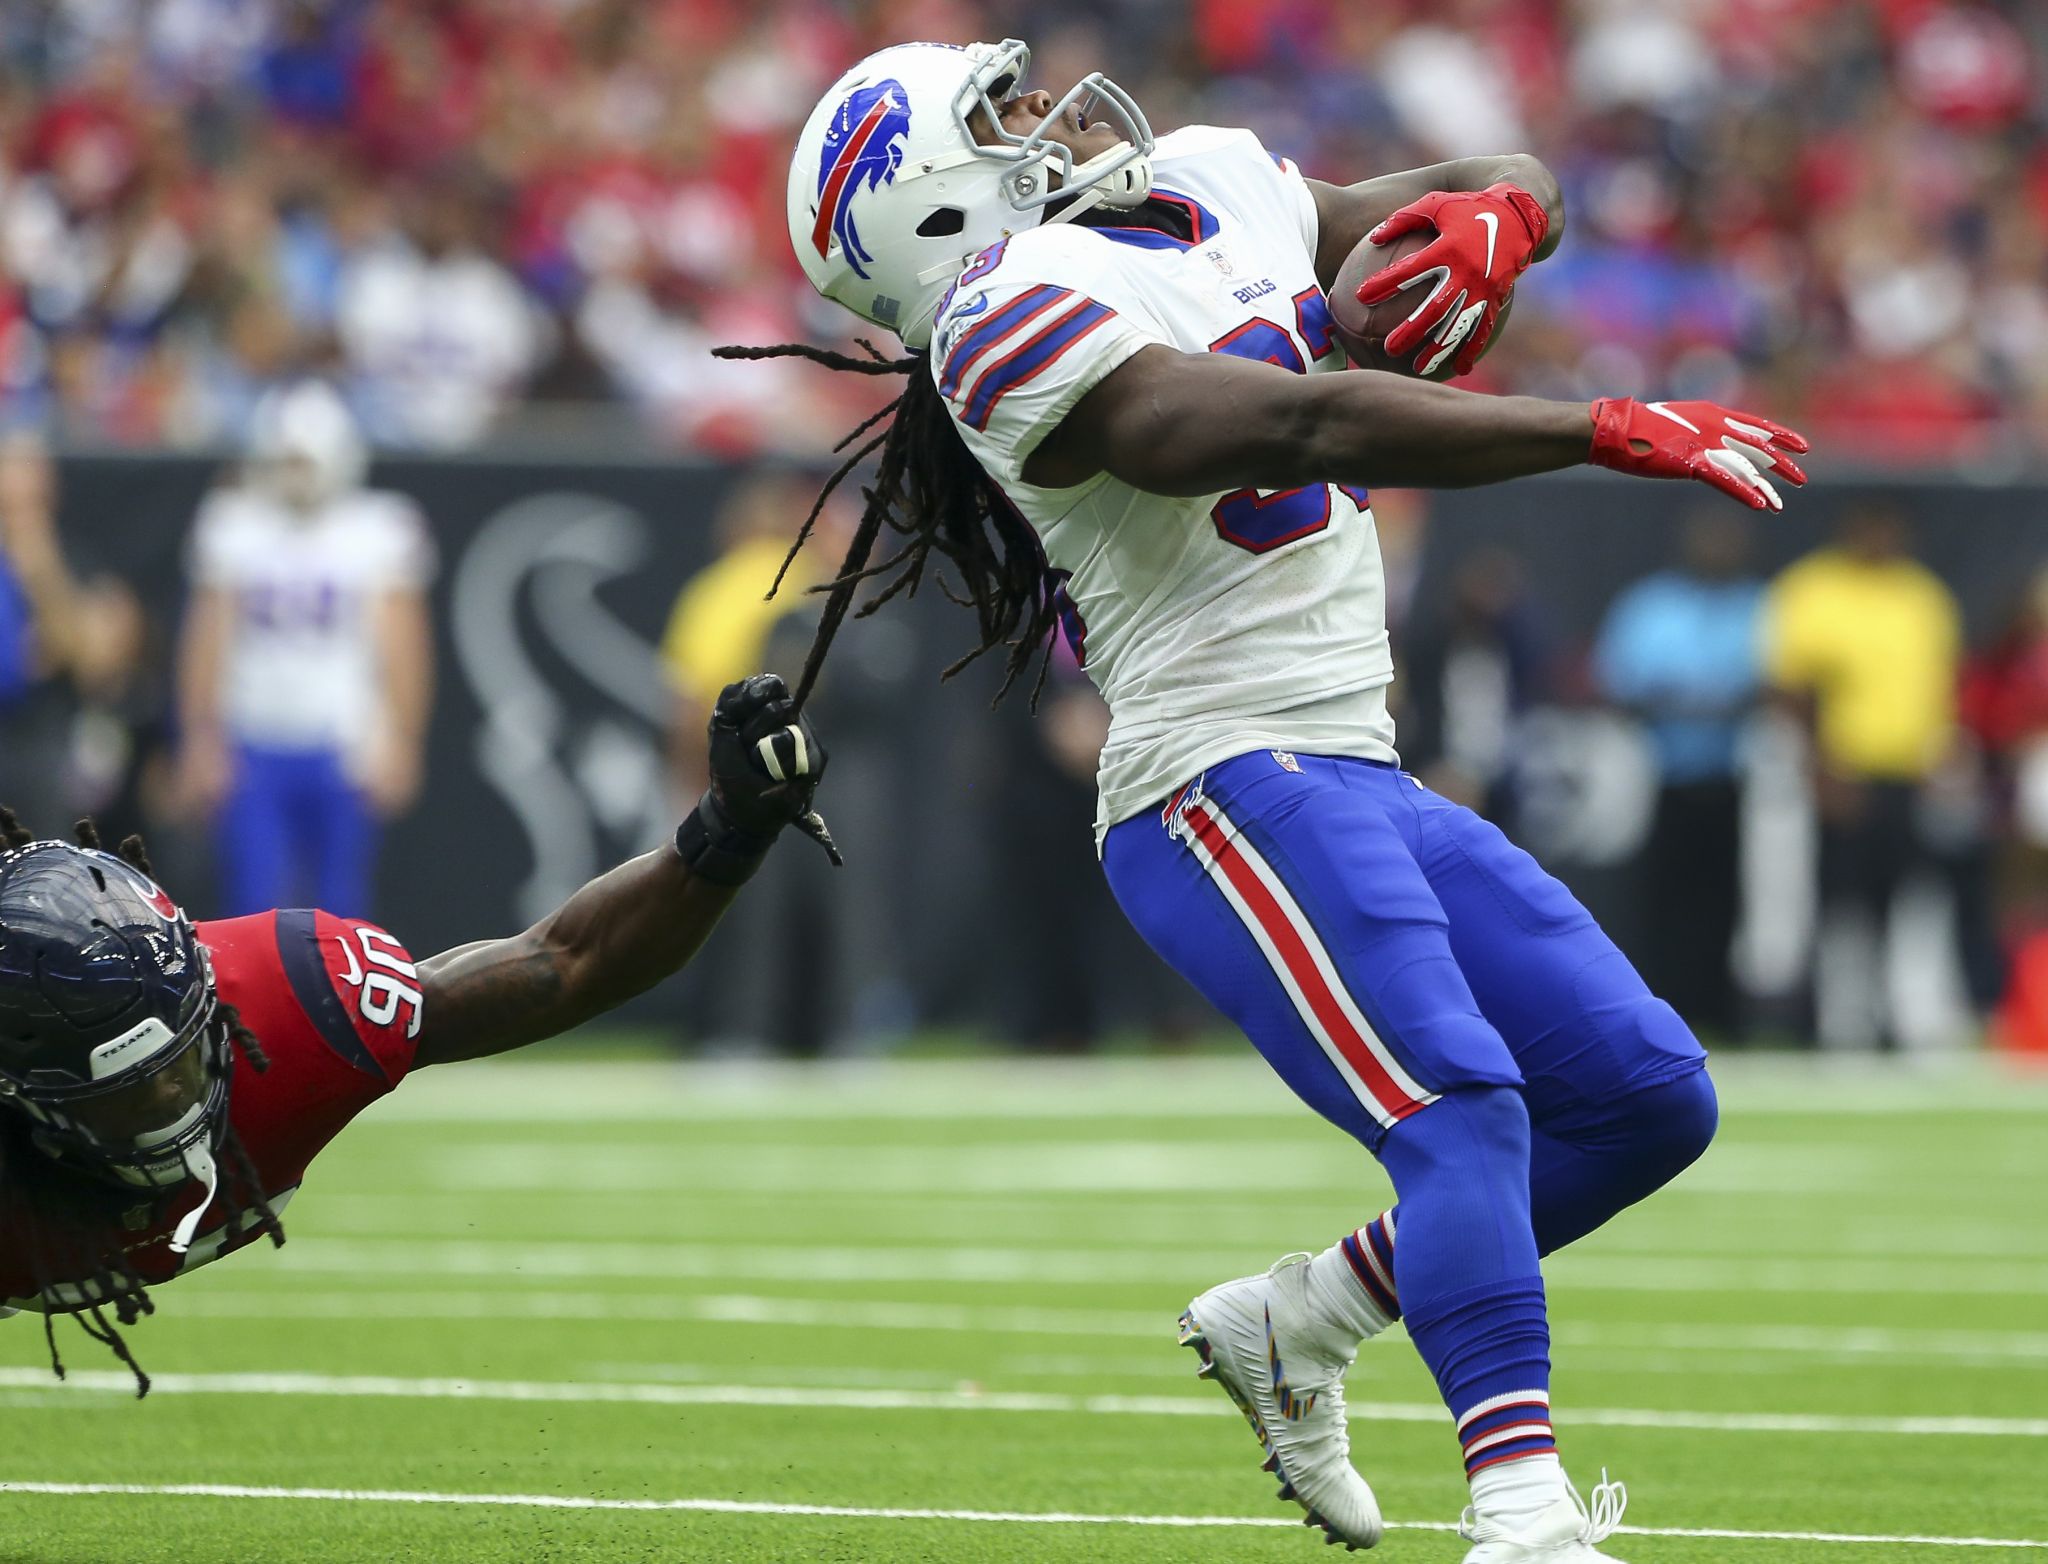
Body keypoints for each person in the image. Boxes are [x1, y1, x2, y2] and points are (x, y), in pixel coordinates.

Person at [737, 40, 1810, 1562]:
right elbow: (1296, 423)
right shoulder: (998, 324)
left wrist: (1508, 212)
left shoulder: (1206, 178)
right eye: (1000, 118)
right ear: (923, 207)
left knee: (1648, 1099)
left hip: (1350, 762)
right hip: (1213, 777)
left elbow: (1495, 188)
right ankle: (1523, 1516)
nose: (1048, 114)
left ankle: (1303, 1318)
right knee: (1460, 1106)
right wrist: (1595, 425)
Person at [0, 673, 831, 1392]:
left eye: (187, 1054)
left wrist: (726, 832)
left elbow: (563, 962)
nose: (177, 1101)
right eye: (133, 1095)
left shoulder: (305, 1007)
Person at [176, 381, 435, 919]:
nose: (294, 473)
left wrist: (403, 736)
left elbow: (404, 645)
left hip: (345, 741)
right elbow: (207, 639)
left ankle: (332, 1007)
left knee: (340, 909)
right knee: (252, 903)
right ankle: (252, 1009)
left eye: (305, 460)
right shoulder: (234, 524)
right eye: (285, 459)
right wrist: (202, 736)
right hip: (254, 739)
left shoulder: (379, 529)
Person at [1764, 507, 1963, 1048]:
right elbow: (1792, 688)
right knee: (1838, 899)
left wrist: (1941, 764)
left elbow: (1939, 688)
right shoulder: (1814, 588)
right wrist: (1819, 768)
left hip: (1909, 773)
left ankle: (1905, 1018)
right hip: (1841, 773)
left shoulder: (1922, 595)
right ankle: (1840, 1021)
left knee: (1907, 899)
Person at [1593, 512, 1764, 1035]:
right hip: (1665, 775)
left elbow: (1776, 681)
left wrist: (1721, 703)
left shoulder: (1757, 606)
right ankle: (1664, 1009)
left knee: (1727, 902)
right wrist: (1684, 703)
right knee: (1661, 901)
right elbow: (1617, 682)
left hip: (1730, 774)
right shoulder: (1652, 605)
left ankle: (1720, 1013)